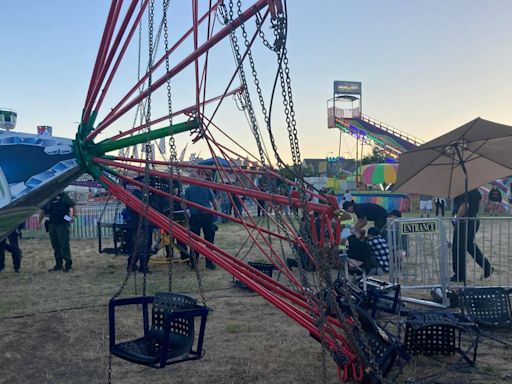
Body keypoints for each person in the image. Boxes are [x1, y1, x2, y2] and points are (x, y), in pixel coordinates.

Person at [451, 188, 493, 282]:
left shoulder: (462, 189)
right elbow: (479, 199)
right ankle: (487, 267)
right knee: (469, 245)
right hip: (474, 219)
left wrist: (456, 219)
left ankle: (459, 275)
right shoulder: (474, 188)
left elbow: (464, 205)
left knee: (457, 248)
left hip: (464, 221)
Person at [184, 177, 218, 269]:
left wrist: (188, 214)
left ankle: (194, 263)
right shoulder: (205, 187)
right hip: (206, 216)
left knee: (194, 240)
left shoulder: (188, 190)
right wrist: (215, 214)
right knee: (209, 239)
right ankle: (209, 262)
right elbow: (214, 202)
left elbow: (184, 205)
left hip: (195, 217)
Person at [42, 192, 75, 272]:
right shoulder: (49, 197)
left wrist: (72, 217)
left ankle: (68, 265)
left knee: (64, 244)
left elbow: (72, 205)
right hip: (52, 223)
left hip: (63, 222)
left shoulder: (63, 196)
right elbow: (43, 211)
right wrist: (39, 222)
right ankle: (58, 265)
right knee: (56, 245)